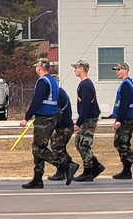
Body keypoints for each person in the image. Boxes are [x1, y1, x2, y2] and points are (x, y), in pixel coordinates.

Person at [20, 58, 75, 189]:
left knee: (38, 148)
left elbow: (36, 101)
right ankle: (37, 178)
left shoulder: (43, 82)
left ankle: (65, 165)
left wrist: (26, 118)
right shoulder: (52, 82)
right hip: (51, 117)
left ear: (39, 68)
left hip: (44, 118)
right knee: (39, 147)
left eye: (36, 67)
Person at [109, 62, 133, 180]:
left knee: (119, 143)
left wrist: (118, 120)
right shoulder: (128, 83)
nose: (117, 72)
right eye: (116, 70)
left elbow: (124, 104)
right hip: (129, 117)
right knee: (124, 143)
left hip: (127, 119)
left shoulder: (126, 85)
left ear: (125, 70)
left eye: (119, 69)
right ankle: (126, 170)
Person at [70, 59, 105, 182]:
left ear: (82, 69)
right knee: (78, 142)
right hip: (86, 118)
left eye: (76, 68)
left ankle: (88, 171)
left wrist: (78, 123)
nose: (75, 70)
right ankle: (96, 165)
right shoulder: (83, 84)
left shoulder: (86, 85)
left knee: (84, 144)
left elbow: (85, 106)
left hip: (89, 119)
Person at [46, 85, 79, 185]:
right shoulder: (60, 92)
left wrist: (54, 127)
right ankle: (70, 165)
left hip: (63, 126)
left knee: (57, 148)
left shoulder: (57, 94)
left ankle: (62, 171)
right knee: (60, 148)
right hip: (65, 125)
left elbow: (57, 113)